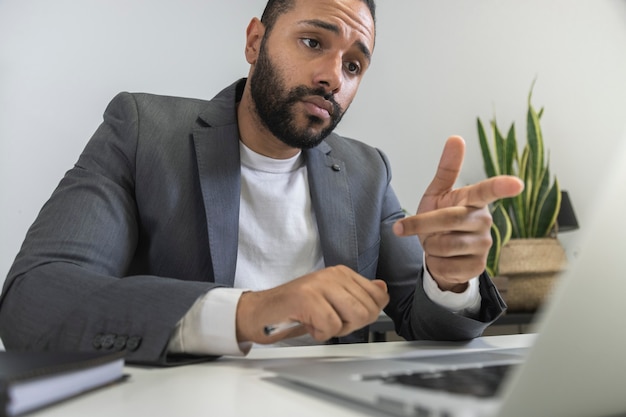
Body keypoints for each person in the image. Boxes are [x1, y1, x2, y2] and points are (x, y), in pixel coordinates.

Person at [0, 0, 523, 365]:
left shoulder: (367, 171)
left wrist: (451, 278)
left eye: (355, 64)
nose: (332, 77)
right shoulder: (142, 131)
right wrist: (251, 310)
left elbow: (428, 324)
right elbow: (34, 300)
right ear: (256, 41)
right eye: (313, 41)